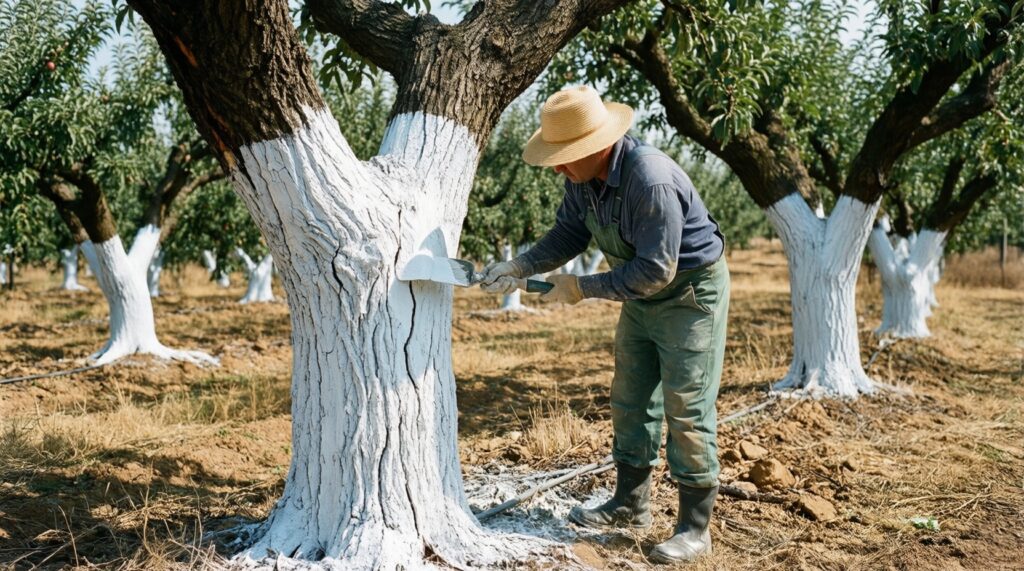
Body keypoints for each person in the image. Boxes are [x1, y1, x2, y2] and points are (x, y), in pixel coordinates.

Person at [480, 86, 730, 564]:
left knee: (687, 405)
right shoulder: (582, 180)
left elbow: (658, 270)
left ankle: (695, 529)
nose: (558, 167)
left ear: (598, 146)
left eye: (566, 157)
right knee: (631, 397)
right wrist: (520, 266)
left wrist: (582, 288)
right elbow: (568, 234)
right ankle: (630, 505)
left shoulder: (649, 180)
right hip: (640, 296)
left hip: (688, 295)